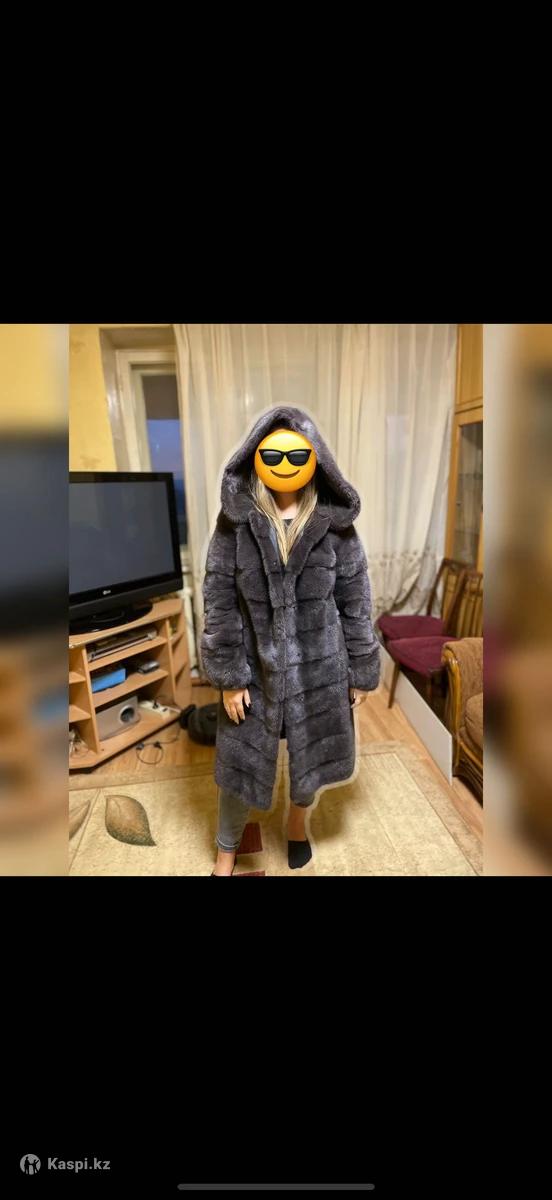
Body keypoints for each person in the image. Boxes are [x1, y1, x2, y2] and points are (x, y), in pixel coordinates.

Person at [201, 406, 381, 874]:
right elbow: (218, 599)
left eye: (296, 456)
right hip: (254, 672)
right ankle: (226, 850)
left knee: (310, 762)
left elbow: (355, 601)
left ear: (314, 458)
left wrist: (360, 669)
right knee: (239, 769)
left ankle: (297, 825)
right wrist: (229, 676)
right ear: (255, 458)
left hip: (320, 670)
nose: (285, 465)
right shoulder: (235, 522)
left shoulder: (334, 525)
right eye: (273, 456)